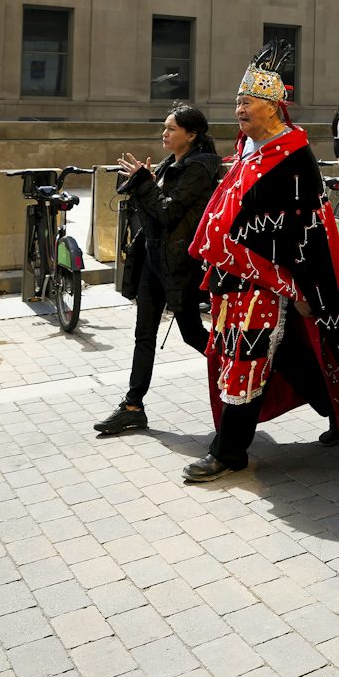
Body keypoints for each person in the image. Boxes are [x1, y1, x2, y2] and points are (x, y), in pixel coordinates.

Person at [183, 49, 339, 482]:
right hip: (235, 280)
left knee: (247, 361)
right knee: (295, 357)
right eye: (237, 102)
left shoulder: (293, 158)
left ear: (272, 107)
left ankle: (230, 451)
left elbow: (311, 234)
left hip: (270, 284)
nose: (239, 109)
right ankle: (336, 411)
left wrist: (311, 294)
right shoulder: (248, 150)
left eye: (247, 102)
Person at [97, 104, 222, 436]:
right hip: (154, 261)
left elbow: (167, 213)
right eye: (164, 128)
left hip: (179, 265)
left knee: (192, 333)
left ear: (191, 135)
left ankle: (239, 372)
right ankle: (132, 406)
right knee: (144, 335)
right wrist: (144, 182)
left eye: (171, 129)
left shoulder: (199, 169)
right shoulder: (173, 163)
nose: (164, 134)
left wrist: (145, 184)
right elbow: (154, 210)